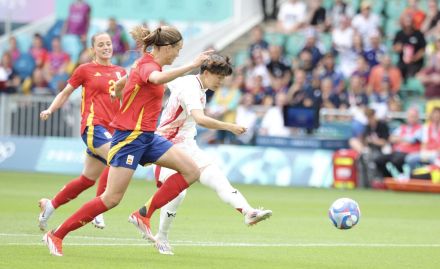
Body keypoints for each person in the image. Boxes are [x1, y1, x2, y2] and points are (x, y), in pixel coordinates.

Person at [42, 25, 213, 256]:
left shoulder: (145, 63)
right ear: (166, 47)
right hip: (129, 138)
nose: (178, 54)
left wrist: (119, 89)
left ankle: (143, 214)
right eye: (177, 50)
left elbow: (128, 79)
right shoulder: (150, 66)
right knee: (111, 199)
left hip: (147, 137)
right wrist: (192, 65)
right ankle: (56, 234)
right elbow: (155, 77)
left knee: (191, 171)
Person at [129, 54, 272, 255]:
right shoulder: (191, 88)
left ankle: (248, 212)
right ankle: (158, 232)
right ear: (205, 73)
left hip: (188, 146)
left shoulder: (192, 84)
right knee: (179, 193)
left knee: (217, 178)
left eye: (223, 77)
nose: (221, 81)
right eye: (218, 76)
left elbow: (165, 77)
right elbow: (200, 119)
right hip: (166, 146)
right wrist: (229, 126)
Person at [38, 32, 127, 232]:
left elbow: (126, 100)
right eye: (101, 44)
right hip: (93, 126)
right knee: (117, 158)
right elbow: (66, 92)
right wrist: (50, 109)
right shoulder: (85, 70)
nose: (106, 47)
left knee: (86, 180)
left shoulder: (121, 72)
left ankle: (49, 206)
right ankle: (100, 206)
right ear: (92, 49)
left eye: (109, 44)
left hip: (113, 130)